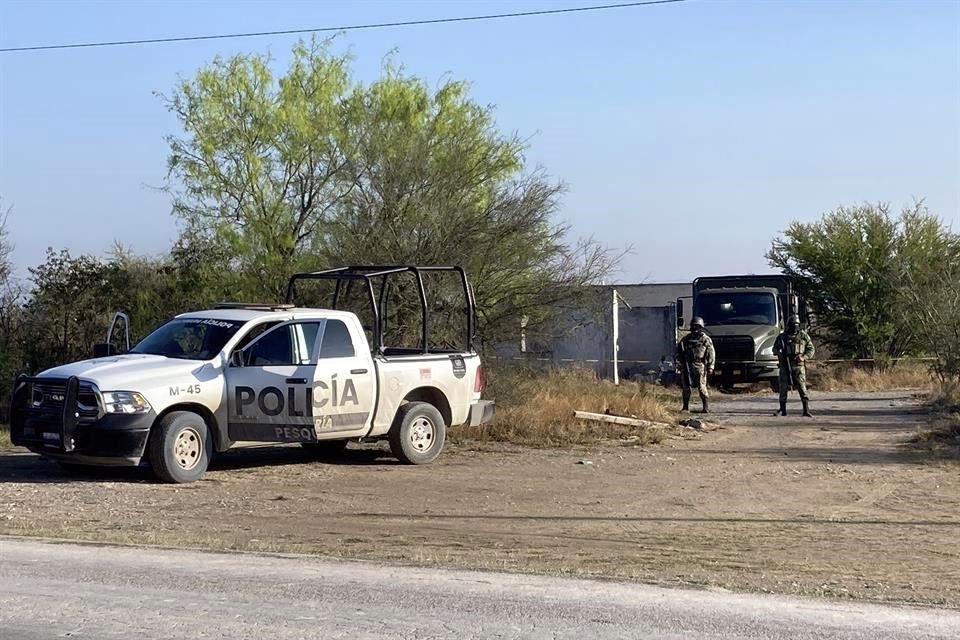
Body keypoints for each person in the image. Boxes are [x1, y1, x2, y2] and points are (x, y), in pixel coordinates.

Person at [773, 314, 815, 417]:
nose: (794, 327)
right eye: (792, 325)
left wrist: (803, 357)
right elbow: (774, 349)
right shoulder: (782, 337)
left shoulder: (803, 336)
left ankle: (806, 410)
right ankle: (783, 410)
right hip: (785, 366)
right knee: (783, 389)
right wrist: (780, 355)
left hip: (798, 366)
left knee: (802, 388)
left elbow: (811, 349)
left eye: (796, 325)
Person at [676, 316, 715, 413]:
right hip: (687, 364)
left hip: (699, 365)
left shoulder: (705, 339)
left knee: (701, 387)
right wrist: (680, 363)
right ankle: (685, 407)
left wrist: (711, 366)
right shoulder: (686, 339)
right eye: (693, 326)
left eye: (696, 326)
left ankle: (705, 407)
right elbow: (679, 352)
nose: (694, 328)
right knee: (686, 387)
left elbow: (711, 353)